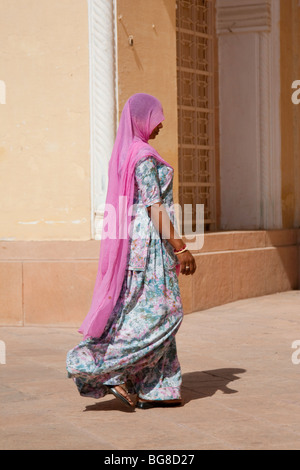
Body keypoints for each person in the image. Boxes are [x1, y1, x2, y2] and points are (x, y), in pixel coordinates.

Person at [66, 93, 196, 410]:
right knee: (164, 312)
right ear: (141, 118)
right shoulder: (144, 157)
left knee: (140, 311)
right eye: (156, 117)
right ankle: (100, 366)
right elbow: (155, 207)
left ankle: (159, 388)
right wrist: (181, 248)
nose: (161, 123)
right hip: (152, 244)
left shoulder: (129, 153)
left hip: (140, 244)